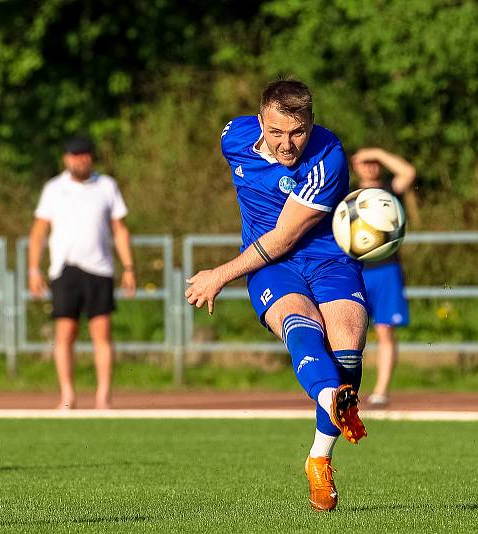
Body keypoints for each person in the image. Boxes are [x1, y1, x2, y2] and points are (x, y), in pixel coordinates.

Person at [185, 79, 368, 512]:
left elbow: (284, 236)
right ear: (260, 121)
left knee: (347, 349)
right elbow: (274, 249)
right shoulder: (235, 136)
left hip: (328, 258)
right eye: (277, 132)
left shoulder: (329, 158)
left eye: (298, 132)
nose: (287, 144)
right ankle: (330, 399)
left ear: (311, 122)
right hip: (272, 267)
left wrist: (219, 275)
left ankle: (319, 458)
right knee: (299, 325)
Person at [28, 136, 136, 410]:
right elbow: (39, 232)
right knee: (65, 332)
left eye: (85, 154)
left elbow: (119, 229)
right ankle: (67, 396)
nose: (81, 159)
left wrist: (129, 268)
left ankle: (103, 398)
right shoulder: (53, 189)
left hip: (99, 269)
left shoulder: (107, 186)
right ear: (67, 159)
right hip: (65, 270)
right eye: (75, 155)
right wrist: (33, 269)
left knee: (102, 334)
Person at [351, 148, 415, 407]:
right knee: (348, 329)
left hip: (387, 270)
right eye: (363, 162)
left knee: (385, 330)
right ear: (354, 165)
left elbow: (408, 172)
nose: (369, 166)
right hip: (355, 271)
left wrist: (377, 152)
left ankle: (381, 390)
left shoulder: (389, 190)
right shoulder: (347, 197)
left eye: (373, 163)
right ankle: (345, 389)